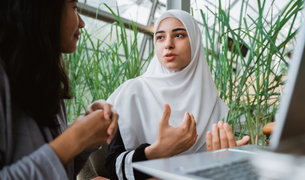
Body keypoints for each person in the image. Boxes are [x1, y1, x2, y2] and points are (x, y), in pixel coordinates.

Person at [105, 10, 250, 180]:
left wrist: (224, 161)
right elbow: (112, 168)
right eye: (160, 37)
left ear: (195, 42)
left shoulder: (212, 103)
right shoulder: (131, 93)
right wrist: (156, 151)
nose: (168, 44)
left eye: (179, 35)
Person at [0, 0, 118, 179]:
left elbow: (62, 172)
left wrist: (86, 137)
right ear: (41, 12)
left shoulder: (45, 83)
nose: (82, 23)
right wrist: (76, 138)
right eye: (74, 8)